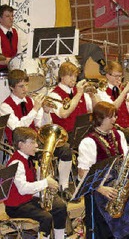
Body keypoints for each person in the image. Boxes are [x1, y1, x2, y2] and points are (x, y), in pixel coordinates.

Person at [78, 102, 129, 239]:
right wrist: (100, 188)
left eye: (115, 116)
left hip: (119, 182)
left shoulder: (118, 134)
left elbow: (124, 159)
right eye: (111, 117)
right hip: (100, 187)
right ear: (100, 119)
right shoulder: (88, 142)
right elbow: (83, 173)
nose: (115, 120)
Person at [4, 127, 67, 239]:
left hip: (26, 199)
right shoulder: (16, 163)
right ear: (21, 145)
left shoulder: (28, 159)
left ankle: (60, 237)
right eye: (32, 142)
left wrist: (47, 190)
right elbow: (23, 189)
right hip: (16, 207)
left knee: (60, 206)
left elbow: (31, 185)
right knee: (45, 217)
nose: (37, 145)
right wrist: (46, 183)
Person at [48, 61, 97, 193]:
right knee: (69, 149)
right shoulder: (54, 94)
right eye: (70, 76)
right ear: (62, 77)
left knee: (100, 140)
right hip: (64, 135)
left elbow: (96, 110)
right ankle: (63, 187)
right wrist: (79, 94)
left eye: (75, 76)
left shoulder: (79, 92)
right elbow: (64, 114)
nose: (74, 79)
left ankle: (90, 179)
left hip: (81, 132)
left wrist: (93, 96)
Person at [0, 69, 52, 142]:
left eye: (26, 85)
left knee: (61, 147)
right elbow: (18, 129)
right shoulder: (5, 107)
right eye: (21, 86)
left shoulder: (31, 101)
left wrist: (46, 112)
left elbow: (40, 126)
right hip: (19, 144)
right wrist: (35, 110)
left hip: (34, 141)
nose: (25, 89)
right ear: (12, 87)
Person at [96, 60, 129, 129]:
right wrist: (125, 91)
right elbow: (111, 110)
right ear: (107, 75)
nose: (119, 79)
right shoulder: (101, 91)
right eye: (116, 76)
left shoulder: (123, 89)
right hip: (113, 129)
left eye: (120, 76)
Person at [0, 4, 25, 72]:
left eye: (12, 16)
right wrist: (15, 61)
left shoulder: (16, 32)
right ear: (0, 19)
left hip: (14, 71)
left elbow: (19, 54)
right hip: (0, 72)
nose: (11, 18)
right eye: (7, 16)